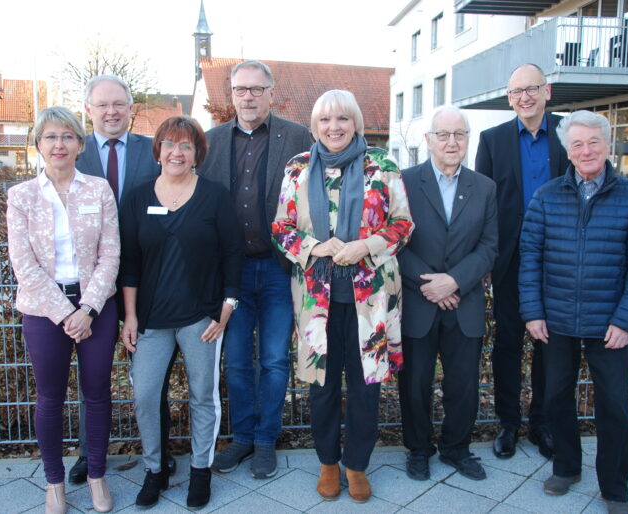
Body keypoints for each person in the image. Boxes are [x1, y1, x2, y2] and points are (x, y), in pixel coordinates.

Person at [272, 89, 413, 502]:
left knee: (367, 385)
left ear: (356, 124)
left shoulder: (382, 165)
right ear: (315, 127)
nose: (334, 128)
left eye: (342, 120)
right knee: (323, 385)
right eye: (325, 121)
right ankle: (328, 463)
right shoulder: (297, 168)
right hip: (318, 301)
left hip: (370, 299)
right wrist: (315, 247)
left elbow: (403, 224)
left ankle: (357, 466)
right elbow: (281, 228)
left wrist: (365, 246)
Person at [519, 110, 628, 514]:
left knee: (613, 406)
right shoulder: (546, 196)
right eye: (576, 144)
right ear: (567, 150)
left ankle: (615, 489)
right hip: (556, 321)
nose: (586, 150)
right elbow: (531, 259)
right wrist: (533, 312)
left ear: (607, 145)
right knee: (556, 397)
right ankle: (566, 466)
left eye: (593, 142)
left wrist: (626, 320)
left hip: (610, 324)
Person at [119, 116, 243, 510]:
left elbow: (232, 256)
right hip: (151, 320)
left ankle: (201, 472)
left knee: (203, 396)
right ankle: (155, 470)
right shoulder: (137, 198)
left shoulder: (214, 196)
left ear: (197, 155)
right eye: (170, 144)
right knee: (144, 395)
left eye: (186, 146)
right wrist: (130, 316)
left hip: (201, 318)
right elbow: (130, 263)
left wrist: (226, 309)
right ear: (158, 150)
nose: (177, 152)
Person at [198, 60, 312, 479]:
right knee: (237, 361)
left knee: (275, 359)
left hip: (280, 268)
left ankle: (266, 440)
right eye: (240, 89)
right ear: (231, 94)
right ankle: (242, 437)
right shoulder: (209, 143)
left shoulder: (298, 137)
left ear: (270, 92)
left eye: (256, 89)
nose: (248, 96)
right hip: (233, 272)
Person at [6, 106, 119, 514]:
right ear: (38, 144)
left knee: (97, 393)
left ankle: (96, 476)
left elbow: (111, 253)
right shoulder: (21, 196)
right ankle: (54, 482)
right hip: (43, 310)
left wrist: (87, 307)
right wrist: (63, 313)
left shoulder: (99, 190)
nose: (59, 144)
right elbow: (24, 264)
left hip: (96, 305)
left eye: (67, 137)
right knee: (50, 397)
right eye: (51, 137)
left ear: (80, 144)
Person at [73, 74, 167, 485]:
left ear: (131, 108)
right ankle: (87, 454)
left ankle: (159, 455)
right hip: (90, 284)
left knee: (151, 375)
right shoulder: (73, 153)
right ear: (88, 111)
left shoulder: (155, 151)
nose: (111, 112)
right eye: (102, 105)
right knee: (90, 376)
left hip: (145, 282)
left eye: (119, 104)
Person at [475, 63, 569, 459]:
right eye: (516, 91)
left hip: (560, 259)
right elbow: (483, 205)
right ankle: (509, 423)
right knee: (509, 342)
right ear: (509, 97)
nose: (525, 97)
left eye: (532, 88)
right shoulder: (492, 139)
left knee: (552, 343)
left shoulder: (569, 132)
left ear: (547, 91)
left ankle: (543, 422)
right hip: (510, 259)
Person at [398, 106, 498, 481]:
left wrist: (453, 281)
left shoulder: (484, 187)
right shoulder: (404, 183)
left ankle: (457, 448)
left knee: (463, 384)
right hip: (418, 301)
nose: (451, 142)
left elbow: (490, 246)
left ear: (468, 139)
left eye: (459, 134)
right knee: (415, 382)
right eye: (443, 134)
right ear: (429, 140)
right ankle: (418, 449)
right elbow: (395, 243)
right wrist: (432, 285)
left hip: (464, 301)